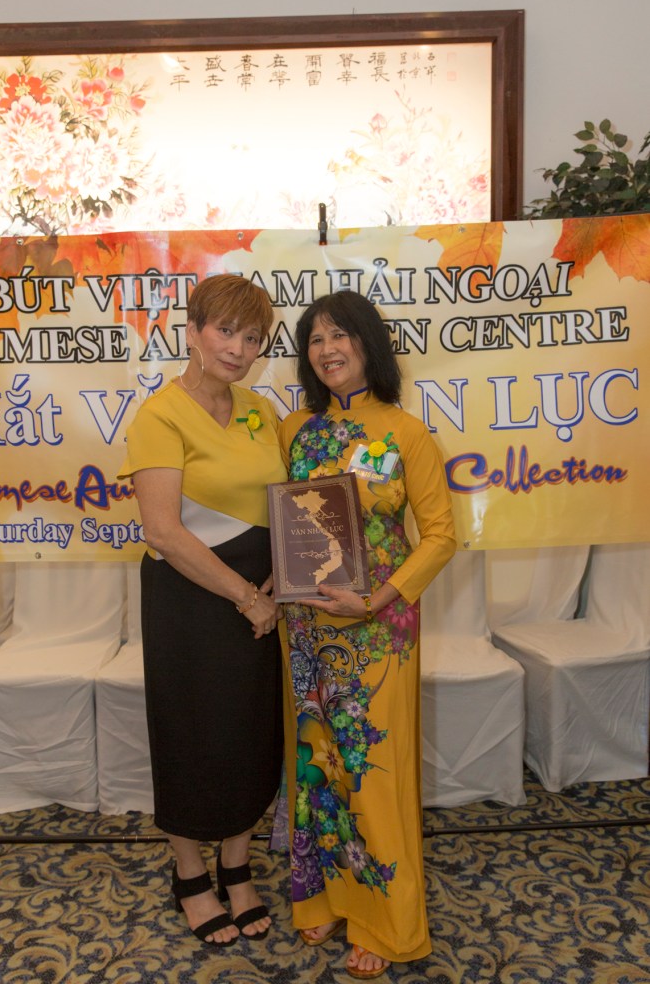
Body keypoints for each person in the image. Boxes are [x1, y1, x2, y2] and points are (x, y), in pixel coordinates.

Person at [277, 290, 456, 978]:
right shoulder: (294, 430)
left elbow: (439, 537)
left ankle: (385, 922)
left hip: (378, 630)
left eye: (339, 335)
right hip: (307, 629)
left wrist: (377, 599)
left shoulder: (406, 433)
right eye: (315, 339)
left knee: (372, 769)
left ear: (367, 344)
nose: (327, 349)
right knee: (317, 765)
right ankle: (321, 896)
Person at [118, 274, 285, 947]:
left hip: (262, 598)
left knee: (249, 730)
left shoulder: (259, 409)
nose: (238, 349)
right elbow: (163, 531)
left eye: (253, 338)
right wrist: (247, 596)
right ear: (191, 331)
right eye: (225, 331)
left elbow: (285, 503)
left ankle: (236, 867)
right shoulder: (159, 415)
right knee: (189, 733)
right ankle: (189, 872)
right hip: (190, 599)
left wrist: (278, 582)